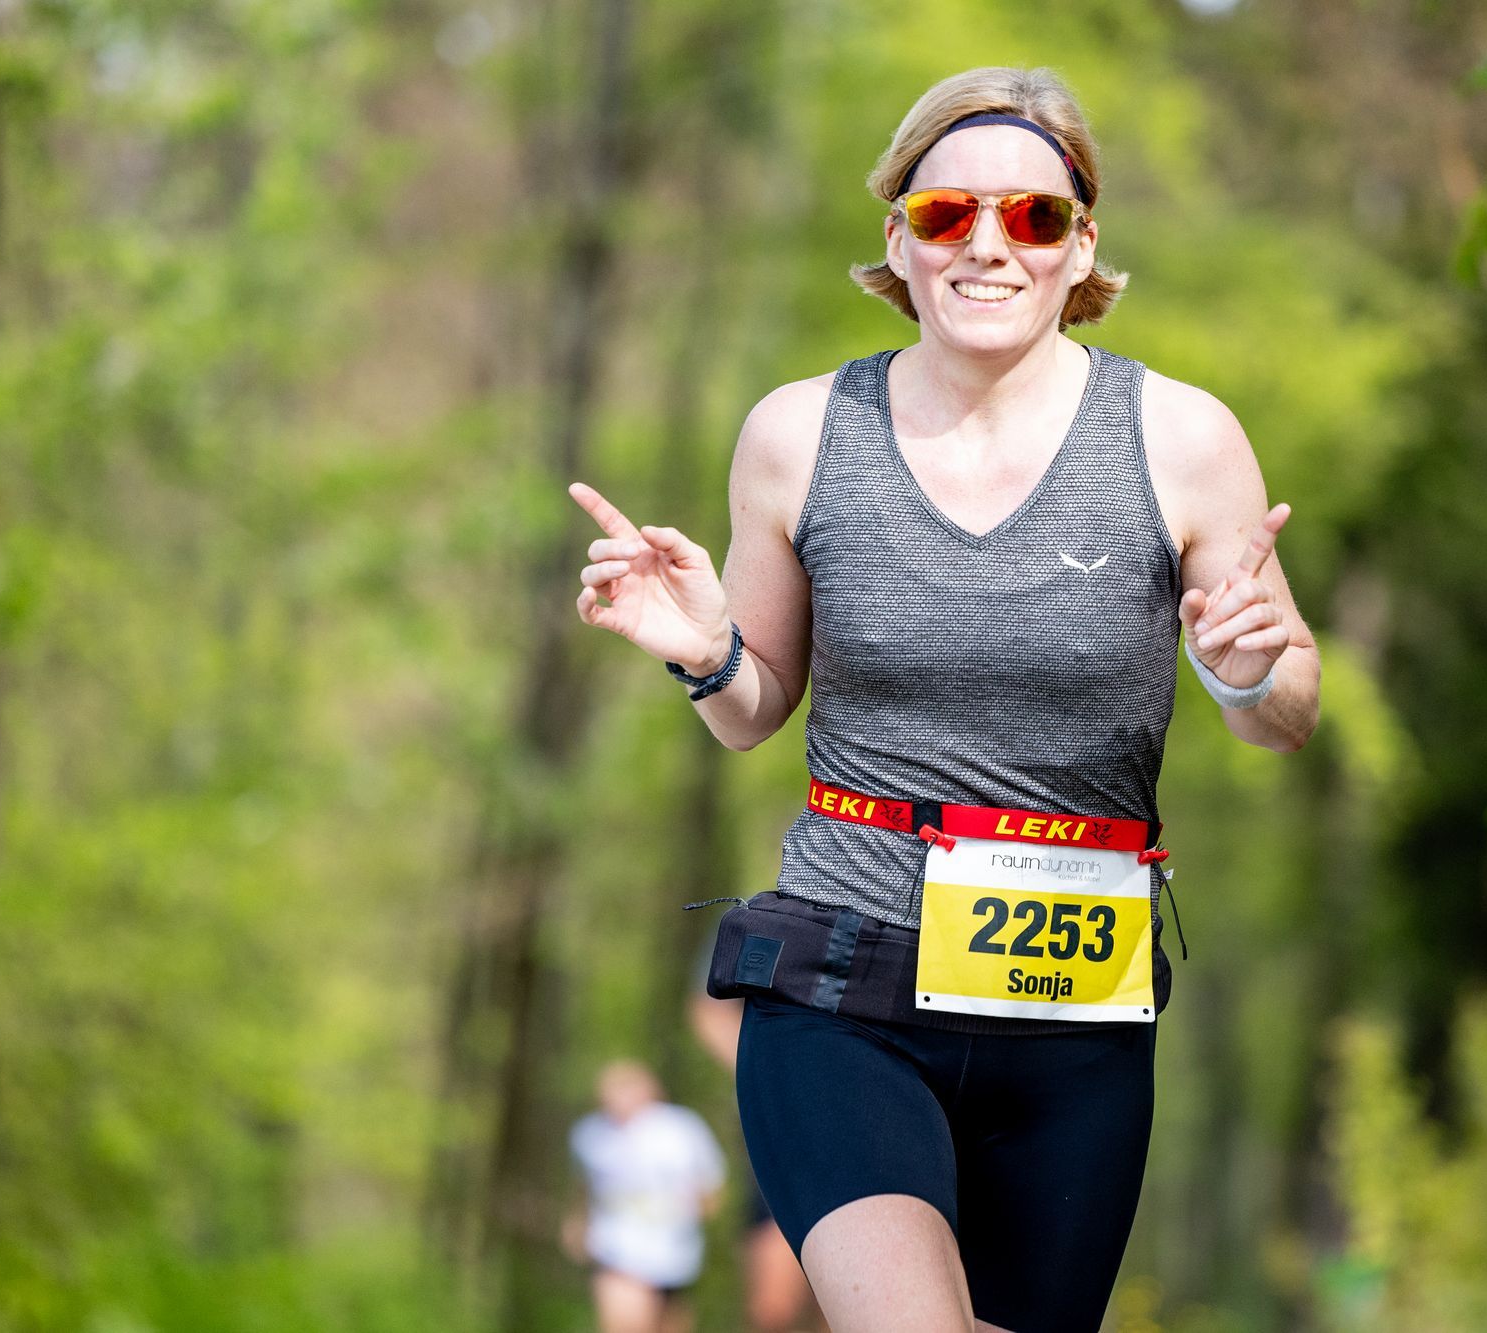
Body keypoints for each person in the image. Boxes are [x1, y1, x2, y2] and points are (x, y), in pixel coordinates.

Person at [570, 65, 1319, 1333]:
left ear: (1081, 242)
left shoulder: (1181, 438)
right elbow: (754, 705)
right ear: (897, 242)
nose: (988, 245)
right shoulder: (800, 433)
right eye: (945, 215)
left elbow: (1283, 704)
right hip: (843, 988)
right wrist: (701, 648)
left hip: (1074, 1010)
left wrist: (1242, 666)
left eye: (1031, 218)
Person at [688, 983, 827, 1333]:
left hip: (878, 1129)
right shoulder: (753, 926)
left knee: (851, 1311)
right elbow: (708, 1010)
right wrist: (770, 1074)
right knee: (773, 1309)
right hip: (784, 1138)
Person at [564, 1060, 726, 1333]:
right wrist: (576, 1224)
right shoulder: (589, 1134)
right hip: (618, 1253)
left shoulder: (682, 1129)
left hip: (676, 1255)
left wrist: (690, 1210)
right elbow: (582, 1187)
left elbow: (711, 1188)